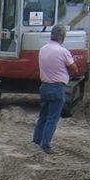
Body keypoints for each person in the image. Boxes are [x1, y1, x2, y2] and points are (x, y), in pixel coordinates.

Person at [32, 25, 78, 153]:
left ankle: (36, 139)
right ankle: (46, 145)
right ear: (62, 37)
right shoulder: (63, 52)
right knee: (52, 118)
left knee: (43, 116)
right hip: (57, 87)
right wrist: (68, 75)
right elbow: (74, 68)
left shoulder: (43, 49)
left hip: (44, 86)